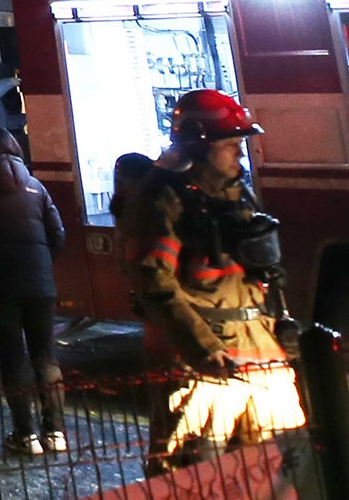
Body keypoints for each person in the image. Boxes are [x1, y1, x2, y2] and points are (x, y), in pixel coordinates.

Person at [118, 89, 304, 472]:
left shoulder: (236, 193)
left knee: (281, 473)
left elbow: (256, 277)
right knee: (196, 477)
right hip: (206, 368)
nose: (240, 153)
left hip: (263, 359)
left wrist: (281, 327)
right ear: (198, 147)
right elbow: (155, 283)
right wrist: (201, 349)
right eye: (232, 144)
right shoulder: (161, 201)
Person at [0, 124, 66, 457]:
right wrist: (43, 264)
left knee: (13, 358)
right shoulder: (35, 185)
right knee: (45, 356)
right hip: (40, 283)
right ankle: (56, 432)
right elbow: (57, 234)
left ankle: (26, 435)